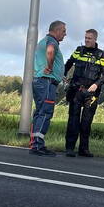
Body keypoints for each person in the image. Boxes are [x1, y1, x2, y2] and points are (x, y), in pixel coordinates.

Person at [63, 28, 104, 157]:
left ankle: (83, 149)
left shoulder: (102, 55)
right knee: (73, 120)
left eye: (89, 38)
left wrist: (97, 84)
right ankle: (69, 148)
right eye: (85, 38)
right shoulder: (79, 51)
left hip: (91, 94)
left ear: (95, 39)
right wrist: (62, 75)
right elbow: (68, 63)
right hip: (76, 90)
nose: (86, 40)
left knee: (86, 121)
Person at [30, 20, 67, 156]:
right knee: (45, 112)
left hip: (41, 81)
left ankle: (35, 143)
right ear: (56, 31)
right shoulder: (52, 41)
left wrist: (59, 73)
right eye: (63, 31)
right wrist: (50, 68)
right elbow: (50, 51)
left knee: (40, 112)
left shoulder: (44, 40)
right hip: (46, 82)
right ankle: (38, 146)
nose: (65, 34)